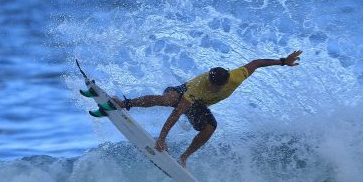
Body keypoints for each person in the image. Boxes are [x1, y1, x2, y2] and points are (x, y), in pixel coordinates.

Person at [113, 50, 302, 167]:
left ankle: (184, 158)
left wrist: (283, 61)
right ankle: (125, 103)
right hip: (183, 93)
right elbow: (178, 112)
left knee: (210, 127)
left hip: (199, 105)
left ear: (225, 81)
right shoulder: (198, 87)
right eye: (211, 84)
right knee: (169, 100)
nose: (212, 88)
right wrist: (162, 138)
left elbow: (256, 63)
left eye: (216, 86)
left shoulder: (236, 76)